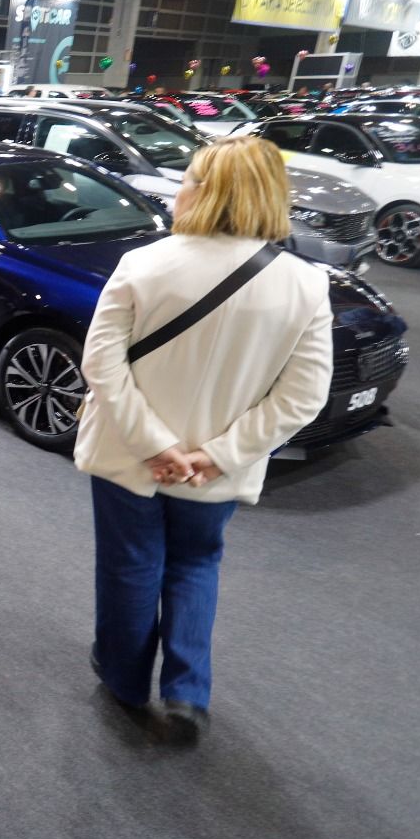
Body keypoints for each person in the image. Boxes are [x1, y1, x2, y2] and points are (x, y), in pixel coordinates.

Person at [75, 136, 333, 745]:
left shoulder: (144, 264)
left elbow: (102, 365)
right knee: (196, 564)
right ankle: (188, 692)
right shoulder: (304, 284)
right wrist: (214, 456)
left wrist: (154, 445)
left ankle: (125, 679)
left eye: (190, 178)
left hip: (129, 458)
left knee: (130, 565)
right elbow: (302, 398)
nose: (180, 189)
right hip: (214, 473)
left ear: (211, 192)